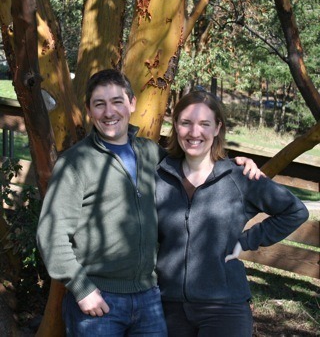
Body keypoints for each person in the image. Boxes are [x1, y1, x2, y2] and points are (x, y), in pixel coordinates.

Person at [36, 69, 262, 336]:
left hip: (150, 300)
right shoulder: (75, 163)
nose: (109, 112)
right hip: (99, 299)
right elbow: (51, 236)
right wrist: (82, 289)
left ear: (131, 103)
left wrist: (235, 165)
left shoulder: (151, 153)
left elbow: (197, 162)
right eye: (100, 104)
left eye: (117, 102)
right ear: (88, 110)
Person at [155, 90, 309, 337]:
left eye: (205, 124)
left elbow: (294, 211)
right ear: (176, 126)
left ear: (218, 128)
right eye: (186, 123)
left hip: (224, 307)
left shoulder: (240, 177)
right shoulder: (159, 175)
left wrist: (245, 241)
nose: (195, 132)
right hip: (166, 306)